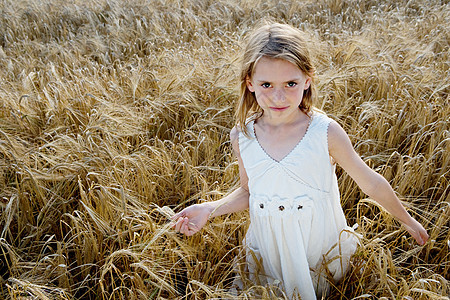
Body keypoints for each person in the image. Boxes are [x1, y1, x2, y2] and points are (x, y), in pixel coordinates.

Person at [171, 22, 429, 299]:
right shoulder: (242, 134)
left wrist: (408, 221)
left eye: (290, 84)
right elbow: (251, 191)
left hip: (314, 245)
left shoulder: (324, 132)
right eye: (266, 84)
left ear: (307, 80)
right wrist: (210, 208)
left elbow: (371, 184)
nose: (278, 96)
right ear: (250, 83)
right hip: (269, 248)